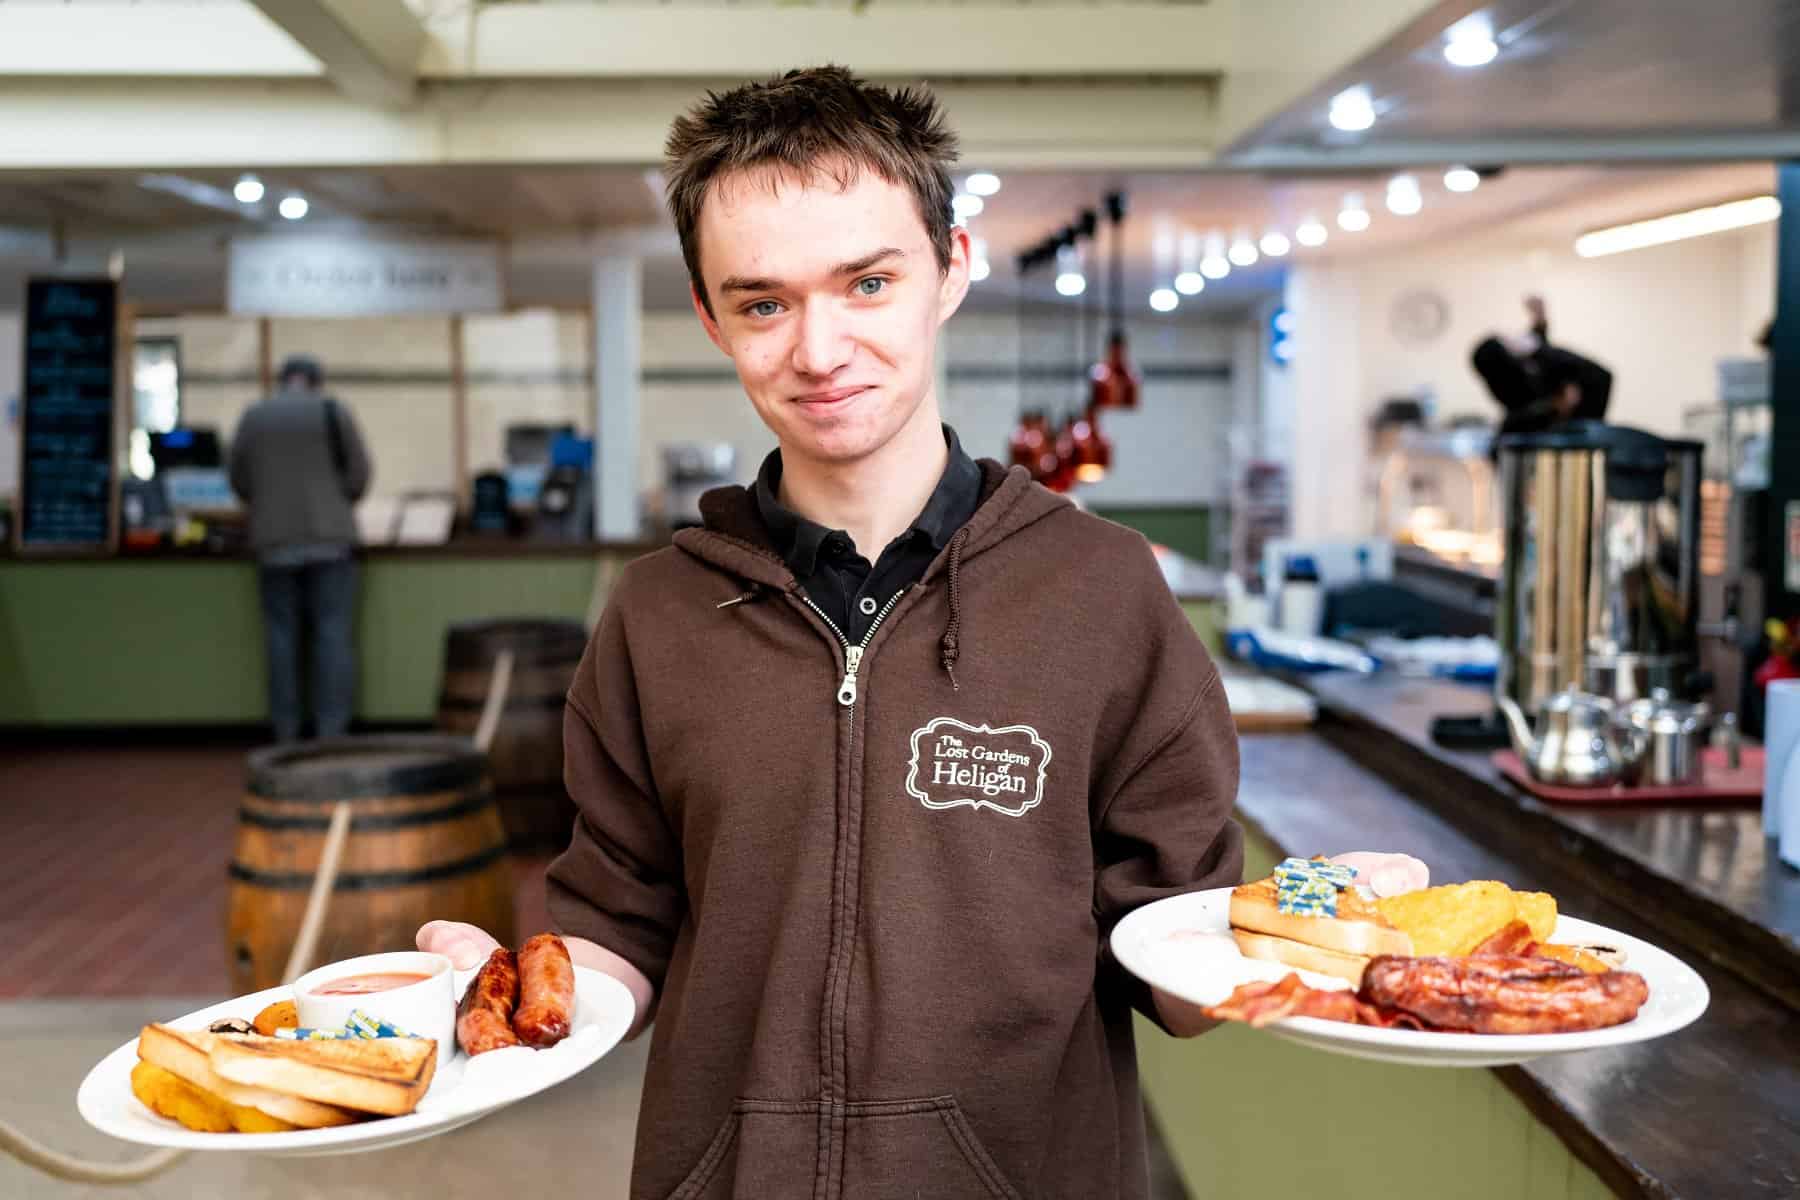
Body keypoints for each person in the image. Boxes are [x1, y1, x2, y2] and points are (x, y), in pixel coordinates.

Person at [420, 67, 1424, 1198]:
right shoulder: (656, 616)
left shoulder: (1103, 592)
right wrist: (506, 1003)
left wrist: (1309, 931)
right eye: (763, 303)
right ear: (709, 316)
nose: (818, 347)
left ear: (951, 269)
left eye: (867, 282)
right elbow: (622, 927)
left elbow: (1174, 980)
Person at [228, 354, 371, 742]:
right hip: (331, 542)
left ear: (283, 379)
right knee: (333, 636)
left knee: (280, 639)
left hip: (273, 542)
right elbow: (358, 478)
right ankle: (331, 734)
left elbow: (238, 479)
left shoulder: (254, 415)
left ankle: (286, 733)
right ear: (316, 380)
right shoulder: (333, 411)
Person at [1471, 295, 1613, 438]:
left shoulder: (1519, 390)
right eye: (1508, 343)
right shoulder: (1532, 401)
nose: (1515, 340)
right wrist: (1537, 348)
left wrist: (1539, 323)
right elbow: (1543, 355)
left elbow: (1539, 355)